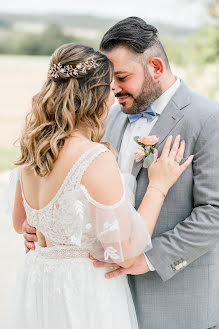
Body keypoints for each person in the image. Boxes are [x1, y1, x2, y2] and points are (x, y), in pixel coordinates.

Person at [7, 43, 192, 329]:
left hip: (39, 282)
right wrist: (159, 185)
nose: (112, 97)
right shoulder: (93, 157)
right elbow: (126, 250)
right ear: (94, 95)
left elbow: (22, 223)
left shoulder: (33, 148)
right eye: (109, 88)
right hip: (83, 292)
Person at [90, 16, 219, 329]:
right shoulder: (111, 119)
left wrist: (146, 259)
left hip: (179, 303)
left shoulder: (209, 119)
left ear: (156, 68)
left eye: (121, 76)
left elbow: (214, 213)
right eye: (110, 80)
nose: (113, 89)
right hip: (112, 301)